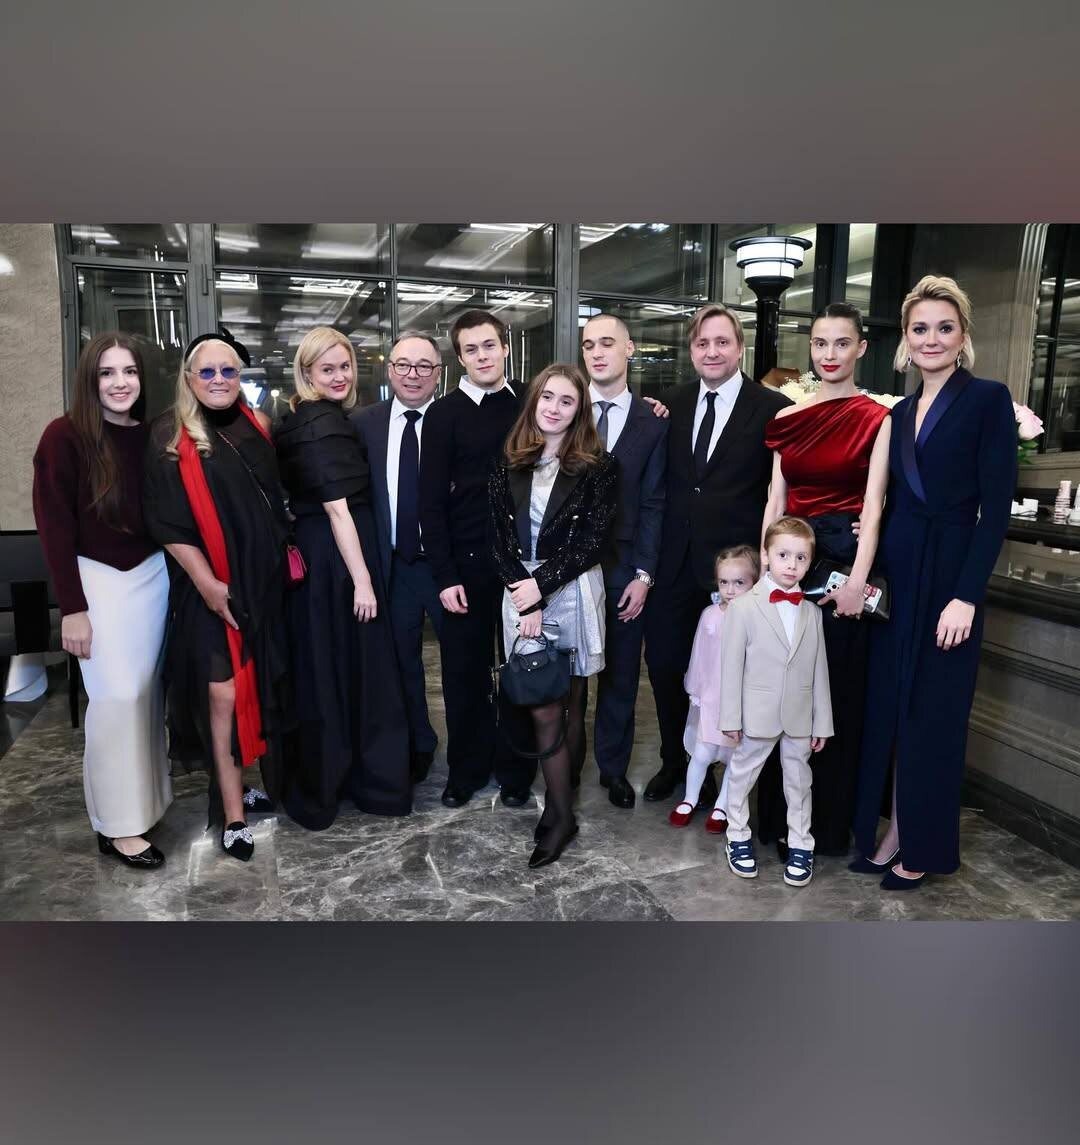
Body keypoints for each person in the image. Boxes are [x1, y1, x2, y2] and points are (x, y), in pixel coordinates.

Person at [851, 276, 1016, 890]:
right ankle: (894, 829)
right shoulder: (897, 412)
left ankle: (922, 842)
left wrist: (967, 595)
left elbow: (995, 511)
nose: (932, 339)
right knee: (894, 709)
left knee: (934, 716)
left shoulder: (988, 399)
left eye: (944, 327)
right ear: (905, 338)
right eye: (920, 328)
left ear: (962, 335)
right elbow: (888, 498)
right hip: (900, 574)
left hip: (950, 574)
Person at [143, 334, 292, 861]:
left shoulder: (257, 425)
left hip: (261, 586)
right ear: (189, 379)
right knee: (223, 695)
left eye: (228, 371)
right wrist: (208, 585)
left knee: (256, 688)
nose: (219, 380)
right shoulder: (169, 435)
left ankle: (244, 783)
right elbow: (166, 523)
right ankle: (232, 814)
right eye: (207, 372)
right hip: (208, 586)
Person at [754, 302, 891, 857]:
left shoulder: (876, 417)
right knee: (782, 691)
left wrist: (857, 582)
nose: (829, 354)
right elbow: (776, 500)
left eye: (841, 343)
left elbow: (874, 507)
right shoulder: (788, 418)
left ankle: (826, 828)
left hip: (844, 565)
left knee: (832, 696)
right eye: (819, 343)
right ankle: (777, 822)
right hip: (791, 559)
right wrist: (765, 572)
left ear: (861, 348)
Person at [642, 304, 791, 805]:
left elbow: (781, 490)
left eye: (722, 342)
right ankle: (676, 761)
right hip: (672, 565)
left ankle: (729, 771)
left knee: (728, 676)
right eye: (702, 343)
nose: (712, 352)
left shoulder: (772, 408)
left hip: (736, 573)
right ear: (691, 350)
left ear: (740, 348)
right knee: (666, 667)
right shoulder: (670, 403)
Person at [32, 332, 171, 868]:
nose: (119, 383)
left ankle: (146, 805)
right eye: (107, 373)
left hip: (152, 578)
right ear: (89, 381)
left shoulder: (154, 435)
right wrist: (72, 608)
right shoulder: (63, 436)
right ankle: (117, 826)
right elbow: (54, 528)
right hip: (95, 580)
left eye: (129, 371)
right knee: (116, 699)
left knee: (146, 698)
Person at [275, 326, 411, 828]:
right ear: (306, 372)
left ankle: (344, 772)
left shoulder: (314, 418)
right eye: (327, 368)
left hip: (329, 556)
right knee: (353, 665)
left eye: (346, 366)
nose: (340, 376)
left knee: (332, 665)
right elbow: (337, 510)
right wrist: (363, 581)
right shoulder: (320, 423)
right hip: (340, 560)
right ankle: (360, 780)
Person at [490, 364, 617, 868]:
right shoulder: (509, 460)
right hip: (520, 592)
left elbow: (593, 541)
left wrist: (540, 588)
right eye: (547, 397)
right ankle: (563, 813)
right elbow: (496, 539)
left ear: (579, 410)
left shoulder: (599, 466)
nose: (554, 408)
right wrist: (526, 596)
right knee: (543, 703)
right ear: (534, 401)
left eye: (567, 400)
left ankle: (561, 810)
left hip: (573, 588)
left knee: (573, 702)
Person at [418, 309, 534, 807]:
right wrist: (444, 576)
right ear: (459, 358)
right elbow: (429, 503)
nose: (482, 356)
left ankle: (516, 772)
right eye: (471, 349)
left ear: (505, 347)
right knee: (463, 675)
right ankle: (465, 771)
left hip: (522, 565)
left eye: (489, 345)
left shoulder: (530, 400)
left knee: (519, 669)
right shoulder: (443, 414)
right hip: (464, 567)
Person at [579, 313, 668, 808]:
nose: (597, 353)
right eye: (589, 344)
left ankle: (612, 770)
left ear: (629, 349)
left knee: (619, 676)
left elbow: (654, 503)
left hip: (624, 568)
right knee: (571, 677)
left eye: (607, 343)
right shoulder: (565, 408)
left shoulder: (652, 421)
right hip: (566, 569)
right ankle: (565, 765)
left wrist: (644, 574)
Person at [351, 329, 444, 784]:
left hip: (447, 567)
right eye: (403, 364)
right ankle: (418, 744)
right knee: (403, 662)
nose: (413, 374)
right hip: (394, 565)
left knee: (463, 663)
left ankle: (474, 749)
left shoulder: (452, 419)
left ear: (438, 374)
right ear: (389, 370)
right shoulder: (363, 424)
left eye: (424, 366)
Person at [719, 517, 833, 886]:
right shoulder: (743, 607)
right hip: (756, 714)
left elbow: (819, 671)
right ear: (766, 555)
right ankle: (737, 835)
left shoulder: (812, 613)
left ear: (810, 562)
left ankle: (801, 843)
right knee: (742, 776)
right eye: (783, 555)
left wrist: (822, 722)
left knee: (799, 784)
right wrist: (730, 717)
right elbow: (731, 668)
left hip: (800, 716)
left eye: (801, 558)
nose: (791, 565)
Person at [670, 544, 760, 832]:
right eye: (724, 582)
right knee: (701, 753)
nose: (730, 590)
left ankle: (722, 805)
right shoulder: (710, 615)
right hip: (711, 696)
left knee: (735, 757)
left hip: (741, 701)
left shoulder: (757, 619)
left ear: (755, 582)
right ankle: (690, 798)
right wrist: (695, 690)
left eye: (739, 583)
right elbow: (699, 654)